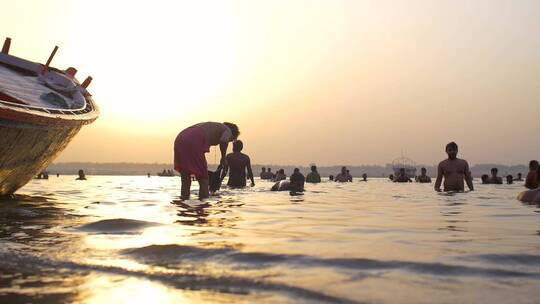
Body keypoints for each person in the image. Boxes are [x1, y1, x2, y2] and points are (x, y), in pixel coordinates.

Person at [174, 122, 239, 200]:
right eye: (231, 140)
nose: (229, 141)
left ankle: (183, 206)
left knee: (186, 179)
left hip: (180, 138)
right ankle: (203, 206)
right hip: (195, 138)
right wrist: (223, 157)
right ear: (233, 134)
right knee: (203, 179)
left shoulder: (213, 126)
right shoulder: (227, 130)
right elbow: (223, 140)